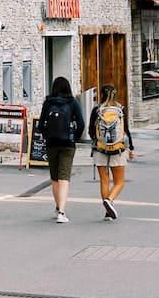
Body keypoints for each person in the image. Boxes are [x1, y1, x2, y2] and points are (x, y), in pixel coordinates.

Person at [38, 76, 85, 223]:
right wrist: (74, 138)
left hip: (51, 143)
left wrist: (47, 136)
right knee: (64, 178)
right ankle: (62, 212)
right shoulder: (73, 102)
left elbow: (40, 124)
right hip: (67, 144)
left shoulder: (48, 102)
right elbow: (81, 124)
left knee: (55, 178)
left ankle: (58, 207)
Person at [88, 84, 135, 220]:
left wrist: (98, 141)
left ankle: (108, 211)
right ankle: (110, 200)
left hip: (100, 148)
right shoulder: (120, 110)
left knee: (104, 180)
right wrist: (131, 148)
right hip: (118, 149)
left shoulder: (97, 110)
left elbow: (91, 131)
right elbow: (125, 131)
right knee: (119, 181)